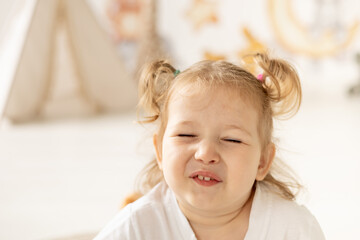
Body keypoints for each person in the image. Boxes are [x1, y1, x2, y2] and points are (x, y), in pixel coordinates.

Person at [94, 53, 325, 240]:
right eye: (186, 134)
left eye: (231, 139)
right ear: (160, 152)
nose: (205, 154)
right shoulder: (137, 227)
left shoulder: (291, 228)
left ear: (262, 161)